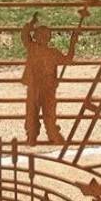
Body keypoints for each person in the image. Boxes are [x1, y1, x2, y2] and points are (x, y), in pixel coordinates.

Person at [21, 17, 71, 145]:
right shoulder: (41, 50)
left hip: (41, 87)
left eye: (44, 35)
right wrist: (73, 44)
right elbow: (68, 60)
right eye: (41, 35)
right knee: (40, 113)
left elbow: (24, 35)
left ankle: (41, 135)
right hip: (40, 87)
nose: (43, 38)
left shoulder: (40, 49)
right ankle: (42, 135)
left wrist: (30, 24)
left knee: (40, 112)